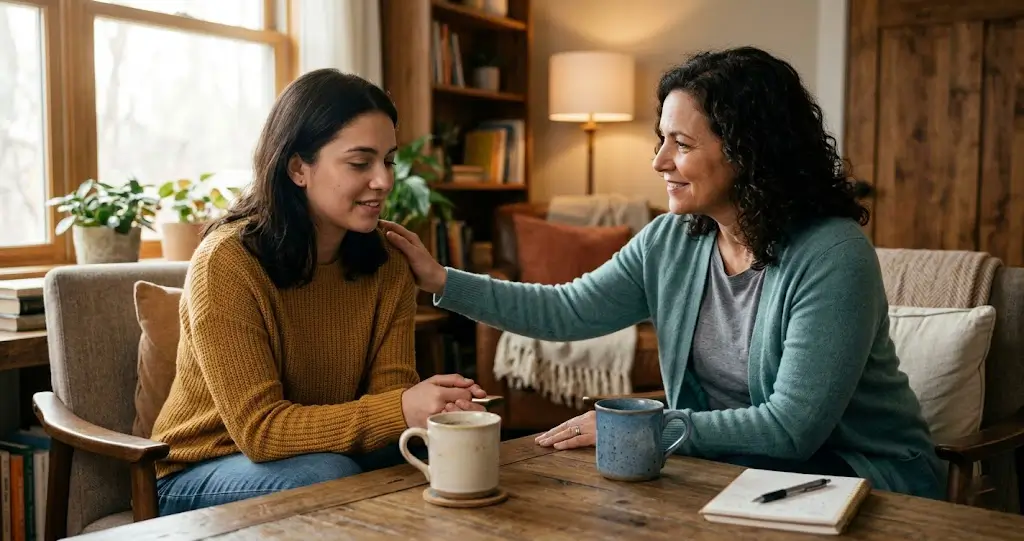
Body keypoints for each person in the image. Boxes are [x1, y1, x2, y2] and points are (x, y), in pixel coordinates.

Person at [382, 46, 945, 499]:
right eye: (661, 140)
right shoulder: (672, 238)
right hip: (730, 470)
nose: (658, 161)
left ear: (750, 152)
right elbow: (568, 309)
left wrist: (642, 427)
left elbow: (792, 427)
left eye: (681, 143)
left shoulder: (831, 255)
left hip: (862, 478)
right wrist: (441, 280)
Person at [150, 68, 487, 516]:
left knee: (453, 453)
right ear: (297, 168)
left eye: (387, 160)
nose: (384, 181)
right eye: (359, 162)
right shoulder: (227, 262)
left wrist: (430, 410)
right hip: (203, 467)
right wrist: (404, 407)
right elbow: (261, 431)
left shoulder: (388, 261)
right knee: (329, 477)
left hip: (330, 454)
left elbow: (390, 399)